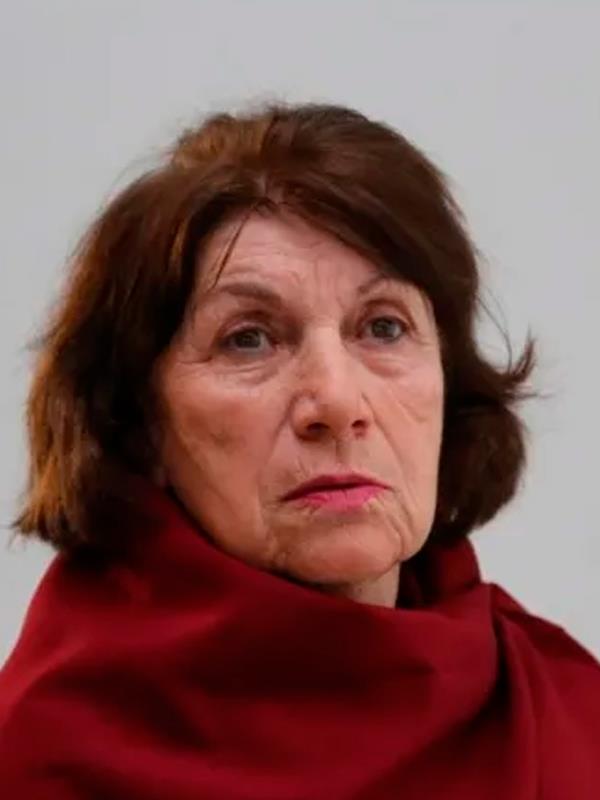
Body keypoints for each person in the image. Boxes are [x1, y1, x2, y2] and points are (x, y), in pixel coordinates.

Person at [0, 101, 598, 799]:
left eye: (382, 327)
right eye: (248, 339)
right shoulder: (41, 759)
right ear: (140, 423)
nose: (337, 402)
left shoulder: (568, 717)